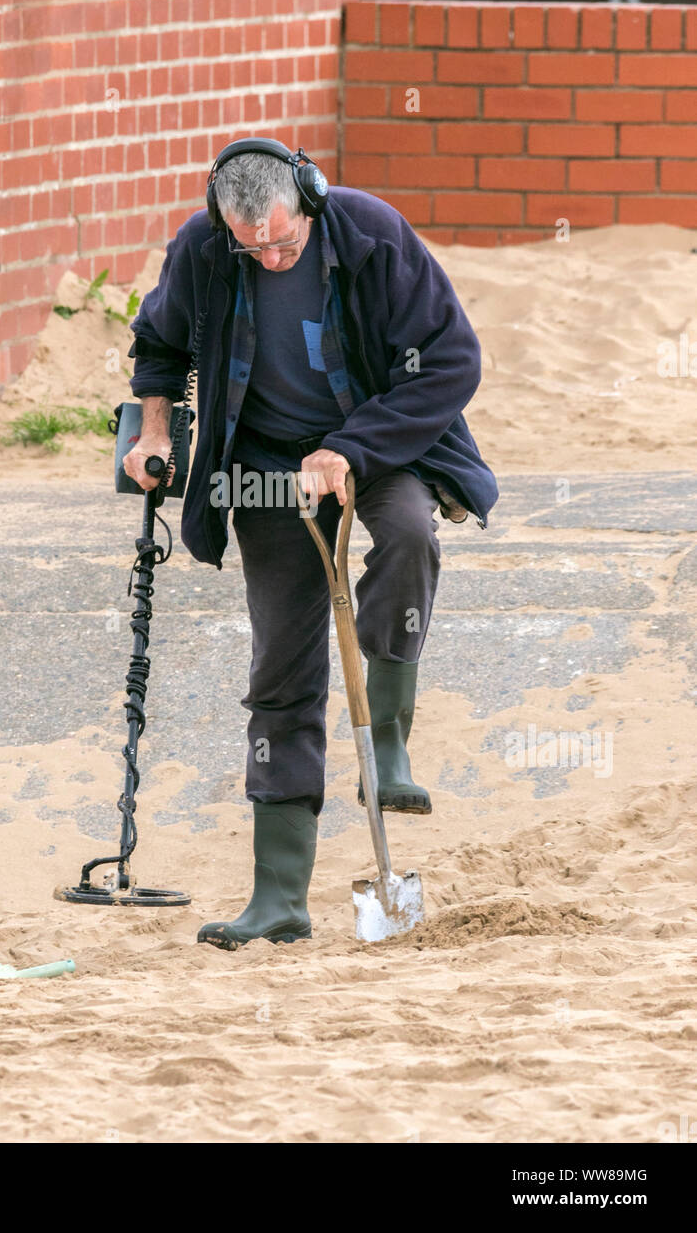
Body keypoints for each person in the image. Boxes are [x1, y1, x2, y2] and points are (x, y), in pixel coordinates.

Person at [123, 137, 498, 950]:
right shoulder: (205, 248)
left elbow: (453, 361)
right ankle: (279, 897)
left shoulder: (372, 233)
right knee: (282, 666)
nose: (268, 255)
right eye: (251, 246)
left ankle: (387, 741)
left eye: (283, 242)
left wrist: (351, 451)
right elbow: (158, 346)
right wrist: (154, 433)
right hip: (263, 468)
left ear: (309, 196)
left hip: (375, 444)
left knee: (407, 536)